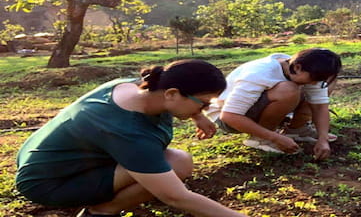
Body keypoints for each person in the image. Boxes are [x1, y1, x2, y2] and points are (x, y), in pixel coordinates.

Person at [15, 59, 248, 217]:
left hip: (48, 161)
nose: (206, 109)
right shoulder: (128, 131)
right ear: (172, 94)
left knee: (176, 161)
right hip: (50, 183)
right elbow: (176, 198)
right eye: (204, 103)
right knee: (176, 163)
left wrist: (197, 114)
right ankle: (102, 212)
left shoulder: (134, 89)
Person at [205, 48, 342, 161]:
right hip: (229, 117)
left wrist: (323, 138)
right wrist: (274, 137)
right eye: (314, 79)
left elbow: (319, 106)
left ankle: (297, 129)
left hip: (251, 110)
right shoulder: (260, 73)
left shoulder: (303, 71)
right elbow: (229, 116)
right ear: (298, 67)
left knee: (312, 89)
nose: (314, 83)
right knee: (289, 89)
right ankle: (260, 139)